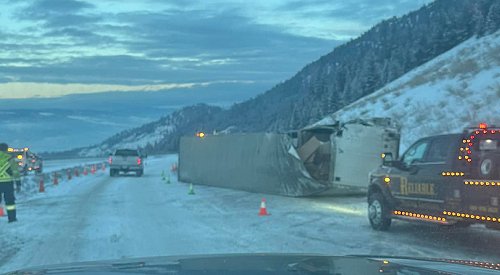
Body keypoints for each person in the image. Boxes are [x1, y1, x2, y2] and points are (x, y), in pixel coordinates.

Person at [0, 143, 20, 223]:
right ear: (6, 149)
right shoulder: (10, 158)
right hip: (8, 183)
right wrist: (18, 183)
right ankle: (12, 219)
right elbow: (15, 172)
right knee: (10, 202)